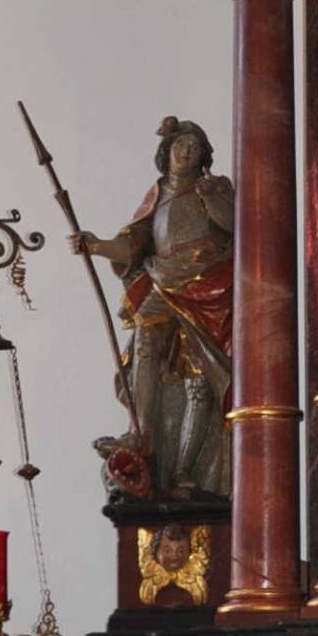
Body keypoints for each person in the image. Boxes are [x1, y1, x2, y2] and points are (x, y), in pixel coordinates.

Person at [70, 117, 234, 499]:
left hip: (207, 285)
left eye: (194, 147)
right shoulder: (158, 195)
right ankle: (141, 432)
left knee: (200, 379)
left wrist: (212, 197)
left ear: (203, 156)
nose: (186, 152)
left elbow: (234, 225)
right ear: (166, 152)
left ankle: (185, 473)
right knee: (145, 338)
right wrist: (96, 246)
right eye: (180, 145)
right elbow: (132, 244)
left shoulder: (216, 186)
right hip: (164, 277)